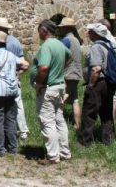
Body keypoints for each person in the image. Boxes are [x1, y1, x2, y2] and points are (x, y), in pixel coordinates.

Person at [30, 20, 72, 165]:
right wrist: (60, 69)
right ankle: (64, 152)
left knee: (47, 121)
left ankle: (53, 156)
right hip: (60, 86)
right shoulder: (60, 44)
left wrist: (39, 83)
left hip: (49, 87)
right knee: (59, 120)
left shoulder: (47, 46)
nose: (38, 34)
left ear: (44, 30)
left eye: (39, 31)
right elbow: (70, 57)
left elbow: (43, 68)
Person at [79, 22, 116, 146]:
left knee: (89, 113)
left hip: (98, 83)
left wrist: (90, 85)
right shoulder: (108, 45)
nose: (88, 34)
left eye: (90, 32)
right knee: (106, 113)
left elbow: (96, 69)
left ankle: (86, 142)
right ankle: (109, 139)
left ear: (96, 34)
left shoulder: (96, 47)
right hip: (109, 83)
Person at [0, 17, 30, 141]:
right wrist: (18, 74)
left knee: (0, 108)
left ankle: (3, 134)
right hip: (13, 78)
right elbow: (22, 62)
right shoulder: (16, 41)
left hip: (0, 80)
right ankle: (22, 131)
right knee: (17, 105)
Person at [58, 17, 83, 130]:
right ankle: (77, 125)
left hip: (68, 73)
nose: (60, 29)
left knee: (61, 98)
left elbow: (59, 55)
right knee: (75, 100)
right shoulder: (77, 40)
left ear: (66, 28)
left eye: (62, 27)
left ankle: (58, 123)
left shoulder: (66, 40)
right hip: (77, 73)